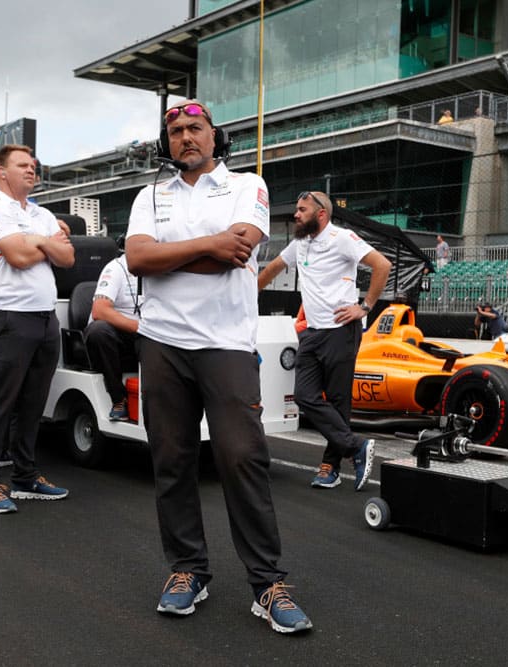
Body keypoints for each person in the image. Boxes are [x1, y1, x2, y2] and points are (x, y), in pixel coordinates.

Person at [126, 100, 311, 633]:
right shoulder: (149, 195)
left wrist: (173, 255)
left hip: (226, 344)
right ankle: (188, 571)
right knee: (172, 461)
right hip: (161, 341)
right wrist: (207, 245)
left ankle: (267, 583)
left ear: (214, 137)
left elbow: (235, 254)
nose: (185, 137)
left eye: (195, 129)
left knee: (242, 458)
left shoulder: (247, 186)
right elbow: (137, 260)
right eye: (176, 130)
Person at [258, 191, 389, 491]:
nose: (296, 214)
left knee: (339, 401)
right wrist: (247, 292)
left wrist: (365, 306)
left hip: (341, 330)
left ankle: (329, 467)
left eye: (301, 209)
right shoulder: (299, 244)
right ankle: (356, 445)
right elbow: (272, 269)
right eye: (296, 208)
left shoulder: (342, 238)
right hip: (312, 333)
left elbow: (382, 265)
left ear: (321, 214)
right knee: (304, 396)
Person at [0, 143, 74, 513]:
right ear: (2, 172)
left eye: (33, 165)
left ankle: (25, 476)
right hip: (9, 319)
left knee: (33, 405)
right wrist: (46, 242)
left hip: (46, 320)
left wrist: (39, 241)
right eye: (22, 165)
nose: (32, 170)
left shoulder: (43, 214)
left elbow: (68, 258)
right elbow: (15, 256)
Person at [85, 250, 141, 421]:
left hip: (144, 335)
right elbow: (99, 310)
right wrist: (141, 328)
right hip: (118, 335)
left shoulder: (160, 270)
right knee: (99, 331)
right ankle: (119, 399)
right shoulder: (115, 269)